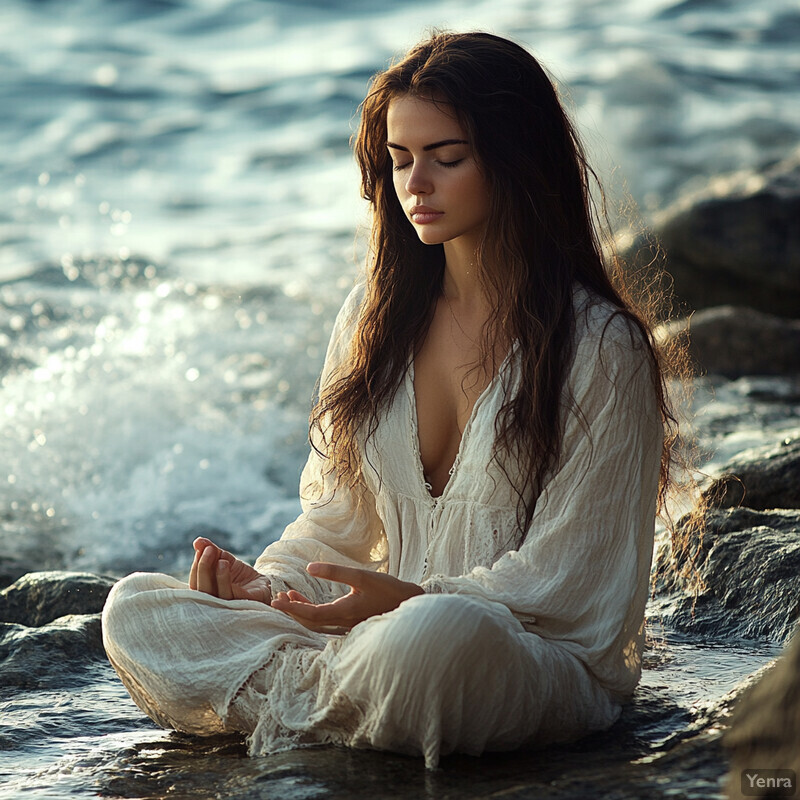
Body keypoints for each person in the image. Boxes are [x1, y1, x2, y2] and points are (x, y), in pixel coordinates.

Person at [102, 31, 676, 769]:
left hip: (519, 655)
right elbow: (338, 527)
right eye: (400, 160)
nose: (416, 185)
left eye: (447, 157)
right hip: (375, 642)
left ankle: (313, 701)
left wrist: (407, 598)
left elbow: (570, 582)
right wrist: (270, 589)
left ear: (517, 158)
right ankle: (350, 703)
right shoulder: (375, 317)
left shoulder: (602, 347)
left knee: (436, 637)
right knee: (137, 612)